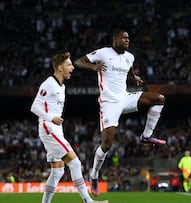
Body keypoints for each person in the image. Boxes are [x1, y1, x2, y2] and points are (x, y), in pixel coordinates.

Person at [74, 29, 166, 196]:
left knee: (159, 98)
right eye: (123, 37)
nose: (127, 40)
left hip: (125, 97)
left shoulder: (130, 56)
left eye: (128, 38)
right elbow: (78, 62)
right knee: (107, 145)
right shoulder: (103, 52)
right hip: (109, 103)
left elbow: (128, 68)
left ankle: (146, 136)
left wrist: (133, 78)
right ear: (115, 39)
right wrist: (93, 67)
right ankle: (94, 176)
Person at [30, 52, 108, 203]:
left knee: (58, 171)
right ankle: (88, 201)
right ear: (60, 67)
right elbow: (35, 107)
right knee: (75, 163)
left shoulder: (62, 86)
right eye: (69, 64)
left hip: (55, 129)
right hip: (48, 128)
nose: (72, 67)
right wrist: (51, 117)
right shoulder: (49, 84)